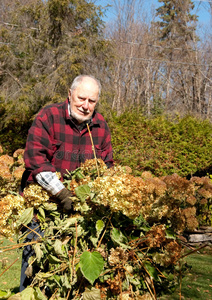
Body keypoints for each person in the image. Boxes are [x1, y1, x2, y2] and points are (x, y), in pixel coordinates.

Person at [20, 74, 114, 291]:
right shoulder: (49, 116)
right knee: (34, 273)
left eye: (92, 101)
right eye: (81, 98)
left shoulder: (100, 126)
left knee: (70, 280)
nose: (85, 105)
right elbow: (35, 159)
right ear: (70, 94)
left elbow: (107, 167)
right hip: (43, 213)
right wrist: (62, 194)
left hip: (80, 218)